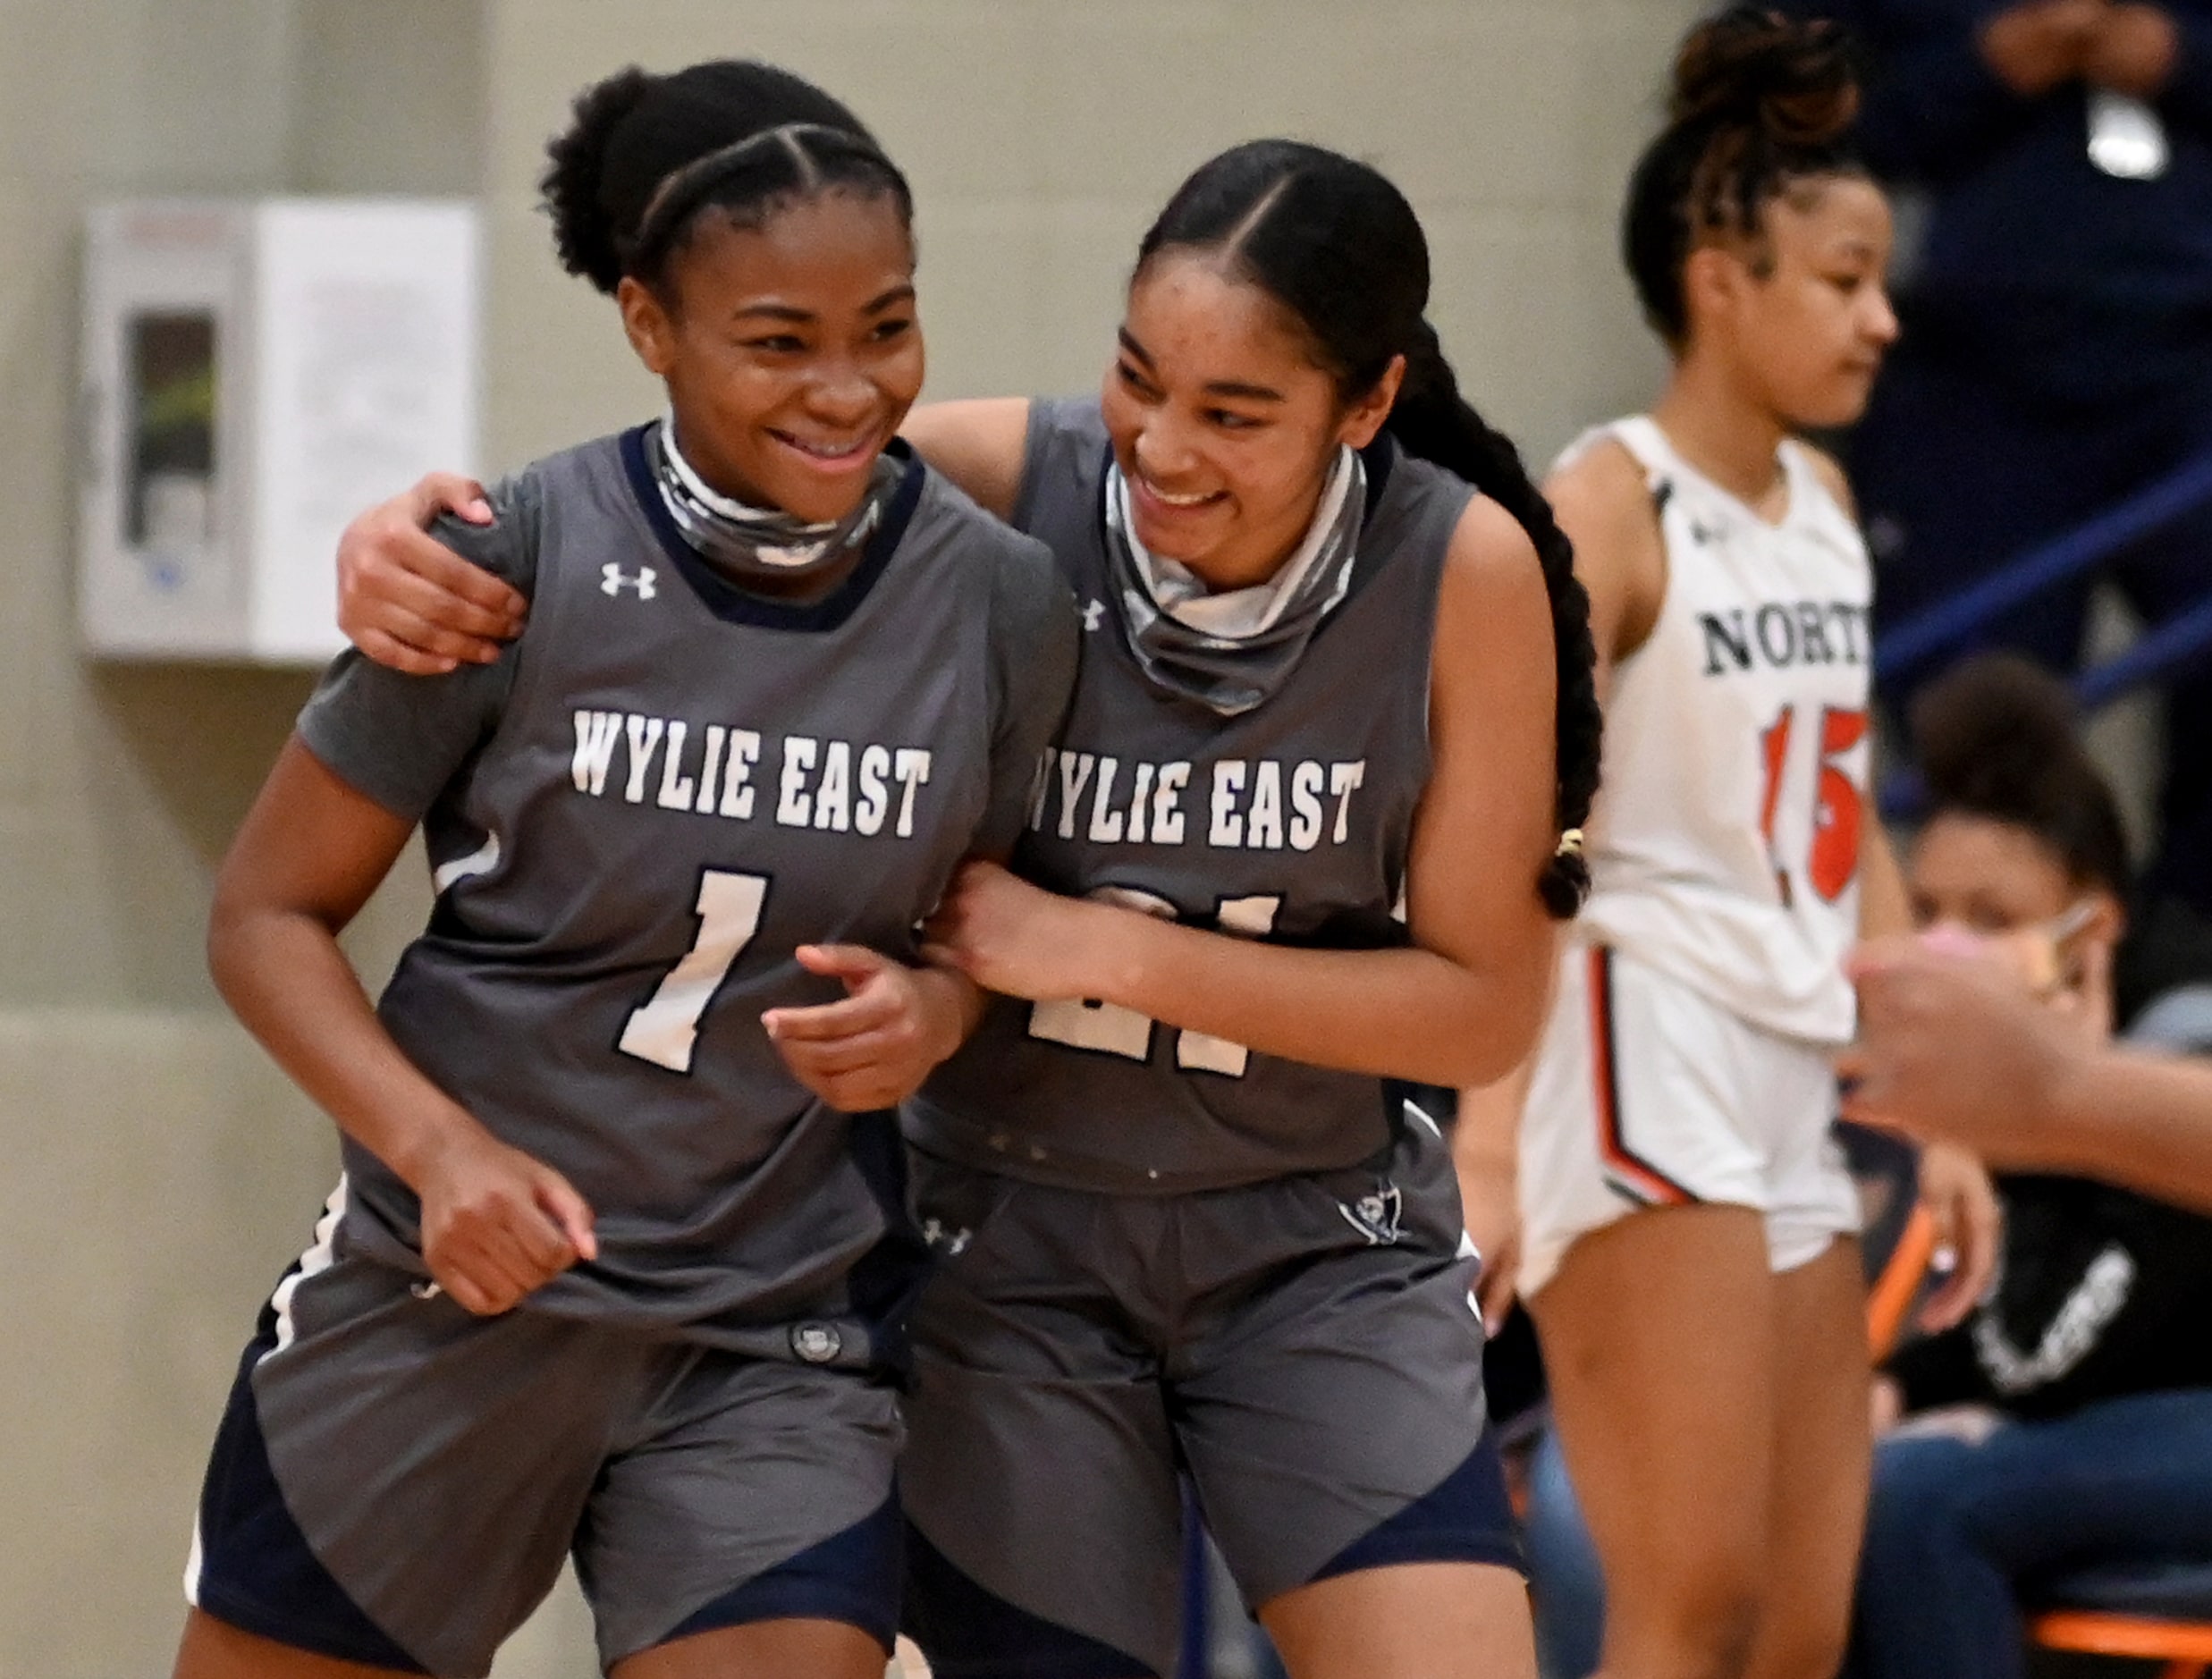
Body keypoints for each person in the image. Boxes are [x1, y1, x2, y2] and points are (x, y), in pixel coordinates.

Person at [328, 138, 1604, 1679]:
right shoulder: (996, 486)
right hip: (1005, 1241)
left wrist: (1100, 946)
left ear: (1367, 405)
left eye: (1232, 413)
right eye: (1136, 378)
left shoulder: (1459, 569)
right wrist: (413, 538)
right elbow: (677, 502)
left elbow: (1481, 1003)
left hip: (1310, 1243)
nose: (1163, 443)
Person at [176, 60, 1074, 1679]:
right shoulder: (501, 561)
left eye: (886, 325)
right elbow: (264, 914)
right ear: (649, 324)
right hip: (451, 1288)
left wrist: (933, 1012)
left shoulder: (997, 604)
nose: (847, 388)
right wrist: (438, 1152)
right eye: (777, 340)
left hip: (771, 1320)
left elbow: (973, 931)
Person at [1495, 12, 1993, 1679]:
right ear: (1723, 277)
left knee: (1795, 1627)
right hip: (1643, 1027)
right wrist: (1482, 1139)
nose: (1880, 315)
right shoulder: (1604, 503)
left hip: (1791, 1049)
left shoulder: (1826, 510)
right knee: (1683, 1600)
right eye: (1841, 278)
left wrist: (1954, 1091)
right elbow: (1502, 824)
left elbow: (1843, 828)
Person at [1777, 0, 2212, 916]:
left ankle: (2176, 978)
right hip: (1970, 373)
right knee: (1975, 719)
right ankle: (1993, 966)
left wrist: (2178, 59)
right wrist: (1983, 67)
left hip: (2188, 362)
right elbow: (1774, 114)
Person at [1851, 654, 2212, 1679]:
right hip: (2116, 1416)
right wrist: (1904, 1382)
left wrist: (2060, 1101)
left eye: (1991, 921)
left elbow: (2043, 1349)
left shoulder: (2181, 1042)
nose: (1945, 948)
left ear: (2089, 934)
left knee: (1915, 1497)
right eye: (1923, 915)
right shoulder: (1977, 1083)